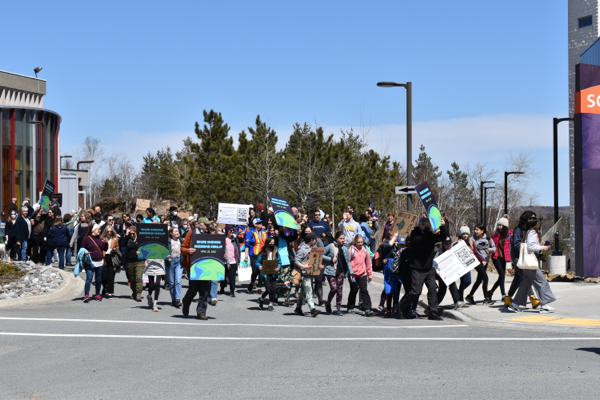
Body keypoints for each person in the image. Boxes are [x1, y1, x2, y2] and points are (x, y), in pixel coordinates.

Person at [399, 217, 445, 321]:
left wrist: (443, 227)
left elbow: (441, 238)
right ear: (421, 225)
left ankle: (433, 312)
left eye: (430, 227)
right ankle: (402, 306)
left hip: (428, 268)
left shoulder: (430, 234)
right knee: (415, 291)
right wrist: (431, 233)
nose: (429, 228)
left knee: (433, 289)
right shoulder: (414, 233)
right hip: (417, 268)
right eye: (428, 226)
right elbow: (418, 240)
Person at [508, 217, 556, 314]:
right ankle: (544, 305)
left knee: (525, 284)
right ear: (536, 225)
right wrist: (543, 247)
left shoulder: (528, 232)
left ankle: (515, 304)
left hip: (527, 262)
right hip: (530, 263)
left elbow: (530, 245)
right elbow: (530, 246)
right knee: (542, 282)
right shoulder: (533, 233)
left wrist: (541, 246)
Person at [505, 211, 539, 308]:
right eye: (532, 218)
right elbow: (516, 244)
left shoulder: (531, 230)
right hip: (517, 256)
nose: (534, 221)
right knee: (524, 276)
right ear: (526, 219)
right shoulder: (518, 229)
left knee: (518, 278)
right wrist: (529, 247)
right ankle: (532, 298)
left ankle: (508, 298)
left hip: (526, 255)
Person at [181, 224, 212, 320]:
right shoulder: (191, 233)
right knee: (193, 289)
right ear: (200, 226)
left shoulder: (211, 234)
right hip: (193, 266)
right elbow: (182, 248)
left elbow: (218, 248)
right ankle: (186, 301)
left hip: (207, 267)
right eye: (205, 225)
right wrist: (188, 250)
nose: (207, 227)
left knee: (204, 290)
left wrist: (221, 255)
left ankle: (201, 312)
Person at [323, 231, 353, 315]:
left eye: (343, 238)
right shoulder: (330, 246)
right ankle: (328, 302)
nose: (343, 240)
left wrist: (351, 273)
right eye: (341, 238)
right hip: (330, 271)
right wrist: (330, 259)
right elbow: (321, 255)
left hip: (341, 272)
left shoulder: (345, 249)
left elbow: (347, 262)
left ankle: (338, 308)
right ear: (336, 239)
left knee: (339, 291)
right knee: (334, 288)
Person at [465, 224, 496, 305]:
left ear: (482, 231)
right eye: (475, 229)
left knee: (479, 280)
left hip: (485, 261)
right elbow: (468, 247)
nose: (475, 231)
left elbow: (494, 247)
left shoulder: (488, 238)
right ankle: (486, 298)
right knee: (485, 278)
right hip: (477, 261)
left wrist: (491, 250)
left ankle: (470, 296)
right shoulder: (473, 239)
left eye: (477, 229)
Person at [294, 232, 321, 317]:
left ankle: (298, 308)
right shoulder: (302, 249)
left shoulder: (312, 248)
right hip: (304, 274)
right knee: (309, 291)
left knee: (303, 292)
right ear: (311, 240)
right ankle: (312, 309)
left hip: (310, 273)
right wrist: (304, 266)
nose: (316, 240)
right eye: (315, 239)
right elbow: (296, 260)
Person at [347, 234, 374, 316]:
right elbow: (347, 262)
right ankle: (350, 307)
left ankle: (368, 309)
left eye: (361, 242)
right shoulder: (351, 250)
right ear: (355, 242)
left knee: (364, 291)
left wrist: (370, 274)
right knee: (354, 290)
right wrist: (349, 273)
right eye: (358, 242)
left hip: (363, 274)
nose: (360, 244)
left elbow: (368, 263)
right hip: (353, 274)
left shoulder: (365, 250)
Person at [81, 224, 108, 302]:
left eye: (100, 229)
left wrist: (106, 243)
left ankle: (97, 294)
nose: (100, 231)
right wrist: (84, 252)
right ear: (93, 230)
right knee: (89, 278)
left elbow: (105, 249)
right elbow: (81, 249)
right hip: (89, 262)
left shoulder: (101, 239)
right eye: (98, 229)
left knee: (98, 279)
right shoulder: (87, 239)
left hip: (99, 261)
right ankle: (86, 295)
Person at [489, 216, 512, 302]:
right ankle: (503, 295)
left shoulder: (509, 234)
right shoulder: (495, 234)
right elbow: (492, 245)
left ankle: (490, 292)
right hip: (496, 257)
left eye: (501, 225)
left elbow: (512, 242)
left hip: (504, 257)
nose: (500, 227)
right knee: (502, 275)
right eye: (499, 225)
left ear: (505, 226)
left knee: (501, 277)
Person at [256, 237, 281, 311]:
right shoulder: (263, 252)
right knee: (268, 289)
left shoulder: (276, 253)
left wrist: (278, 267)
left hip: (273, 273)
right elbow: (257, 262)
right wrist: (259, 266)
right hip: (265, 273)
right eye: (270, 243)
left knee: (273, 289)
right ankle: (261, 299)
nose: (272, 245)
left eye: (273, 243)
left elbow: (279, 262)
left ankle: (270, 304)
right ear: (267, 243)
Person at [121, 226, 144, 302]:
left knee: (138, 278)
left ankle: (138, 294)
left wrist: (144, 257)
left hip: (139, 261)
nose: (132, 235)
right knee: (132, 279)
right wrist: (127, 235)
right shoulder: (128, 239)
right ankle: (134, 291)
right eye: (130, 234)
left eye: (133, 234)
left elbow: (146, 249)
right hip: (129, 261)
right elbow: (122, 244)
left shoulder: (140, 239)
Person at [245, 218, 267, 294]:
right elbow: (247, 245)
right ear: (255, 224)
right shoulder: (250, 233)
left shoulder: (264, 233)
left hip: (262, 255)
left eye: (261, 223)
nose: (260, 224)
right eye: (259, 223)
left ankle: (259, 287)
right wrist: (246, 256)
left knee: (261, 270)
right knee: (255, 271)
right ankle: (251, 283)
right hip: (253, 254)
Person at [100, 224, 120, 299]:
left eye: (110, 231)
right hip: (104, 257)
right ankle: (104, 287)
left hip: (112, 257)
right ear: (105, 231)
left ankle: (110, 292)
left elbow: (118, 247)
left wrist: (114, 249)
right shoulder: (102, 238)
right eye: (107, 231)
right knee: (104, 276)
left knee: (111, 276)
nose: (109, 233)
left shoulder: (115, 239)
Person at [165, 227, 183, 307]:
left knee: (178, 280)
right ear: (171, 233)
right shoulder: (168, 241)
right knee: (171, 282)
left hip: (179, 261)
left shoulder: (181, 240)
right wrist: (166, 257)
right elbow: (163, 252)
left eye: (177, 231)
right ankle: (173, 299)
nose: (177, 232)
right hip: (170, 262)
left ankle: (178, 299)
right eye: (175, 231)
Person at [220, 225, 240, 297]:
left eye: (233, 230)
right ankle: (222, 287)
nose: (232, 232)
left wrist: (239, 259)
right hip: (224, 261)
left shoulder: (235, 239)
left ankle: (232, 291)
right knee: (224, 276)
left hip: (233, 260)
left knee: (232, 277)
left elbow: (238, 249)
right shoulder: (223, 239)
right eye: (230, 230)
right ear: (227, 231)